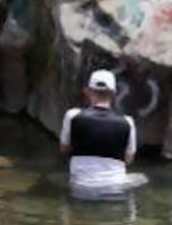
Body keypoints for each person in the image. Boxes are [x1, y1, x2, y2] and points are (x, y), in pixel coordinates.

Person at [59, 69, 148, 199]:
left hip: (80, 187)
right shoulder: (127, 122)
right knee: (142, 178)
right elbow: (128, 159)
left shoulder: (72, 115)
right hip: (115, 188)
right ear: (114, 94)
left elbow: (63, 149)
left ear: (88, 91)